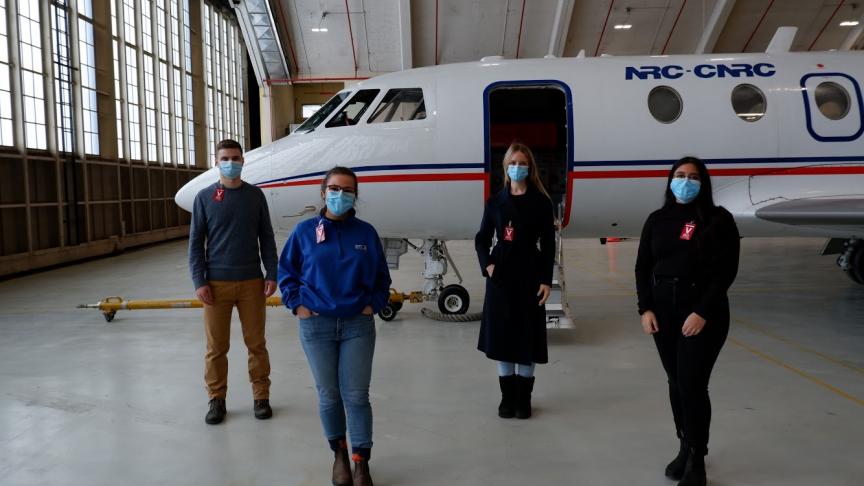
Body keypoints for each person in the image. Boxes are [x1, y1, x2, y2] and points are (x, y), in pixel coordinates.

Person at [278, 166, 391, 486]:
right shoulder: (303, 232)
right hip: (316, 326)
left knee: (356, 395)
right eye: (335, 189)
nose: (341, 195)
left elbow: (382, 277)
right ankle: (339, 455)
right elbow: (287, 272)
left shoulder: (366, 233)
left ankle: (361, 462)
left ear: (356, 195)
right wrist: (296, 303)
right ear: (323, 192)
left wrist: (375, 303)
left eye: (348, 190)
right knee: (329, 395)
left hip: (357, 324)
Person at [635, 156, 740, 486]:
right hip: (663, 313)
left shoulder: (718, 220)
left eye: (693, 177)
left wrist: (703, 312)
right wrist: (645, 309)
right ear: (670, 181)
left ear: (703, 183)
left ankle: (697, 458)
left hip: (702, 314)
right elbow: (642, 267)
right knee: (675, 383)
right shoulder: (657, 219)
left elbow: (726, 271)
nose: (686, 181)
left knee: (693, 385)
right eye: (680, 175)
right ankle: (684, 445)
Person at [188, 139, 278, 425]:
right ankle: (217, 399)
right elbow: (195, 244)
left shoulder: (255, 196)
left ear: (243, 160)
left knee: (256, 344)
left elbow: (266, 237)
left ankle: (261, 396)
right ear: (217, 162)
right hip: (216, 285)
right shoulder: (204, 198)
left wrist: (272, 272)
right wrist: (199, 280)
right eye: (225, 157)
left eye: (236, 157)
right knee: (216, 347)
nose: (231, 162)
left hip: (252, 282)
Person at [475, 142, 555, 420]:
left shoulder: (541, 202)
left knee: (527, 336)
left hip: (530, 274)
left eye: (523, 163)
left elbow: (548, 243)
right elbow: (482, 238)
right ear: (506, 168)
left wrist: (546, 279)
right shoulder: (495, 202)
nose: (518, 167)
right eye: (513, 163)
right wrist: (489, 266)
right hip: (501, 276)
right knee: (503, 336)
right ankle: (507, 397)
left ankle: (524, 397)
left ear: (530, 167)